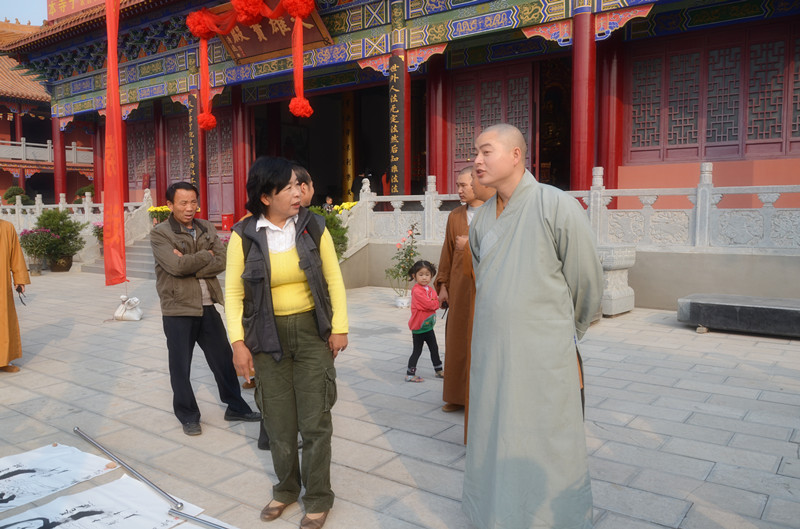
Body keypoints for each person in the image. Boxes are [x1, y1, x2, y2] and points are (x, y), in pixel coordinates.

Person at [463, 124, 603, 529]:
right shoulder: (482, 220)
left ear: (516, 156)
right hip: (492, 353)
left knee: (547, 438)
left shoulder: (555, 205)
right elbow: (485, 284)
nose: (476, 161)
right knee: (495, 437)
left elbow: (587, 281)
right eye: (475, 153)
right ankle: (496, 514)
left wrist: (562, 337)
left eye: (486, 152)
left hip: (543, 355)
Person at [225, 156, 348, 529]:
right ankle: (285, 489)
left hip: (312, 334)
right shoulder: (243, 235)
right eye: (289, 187)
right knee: (278, 423)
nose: (298, 193)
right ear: (266, 195)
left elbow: (334, 280)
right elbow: (232, 292)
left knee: (315, 422)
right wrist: (237, 343)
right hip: (265, 336)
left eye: (300, 185)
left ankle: (318, 497)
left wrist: (339, 327)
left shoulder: (314, 227)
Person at [151, 182, 260, 436]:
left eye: (193, 202)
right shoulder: (161, 233)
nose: (189, 208)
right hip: (178, 308)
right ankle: (188, 415)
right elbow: (174, 267)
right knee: (181, 366)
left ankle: (236, 406)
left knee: (223, 359)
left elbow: (221, 261)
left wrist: (190, 260)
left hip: (207, 304)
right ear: (170, 205)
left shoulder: (206, 227)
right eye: (183, 203)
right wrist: (205, 255)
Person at [405, 260, 443, 383]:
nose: (424, 277)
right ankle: (410, 374)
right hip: (418, 327)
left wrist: (435, 302)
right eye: (421, 274)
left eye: (427, 274)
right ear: (414, 276)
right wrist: (436, 302)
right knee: (417, 350)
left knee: (434, 348)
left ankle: (439, 370)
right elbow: (429, 304)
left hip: (428, 326)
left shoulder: (430, 289)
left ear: (431, 275)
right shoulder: (417, 291)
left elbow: (433, 301)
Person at [1, 219, 30, 373]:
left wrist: (19, 280)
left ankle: (3, 360)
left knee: (3, 322)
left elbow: (15, 255)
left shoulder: (6, 227)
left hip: (1, 284)